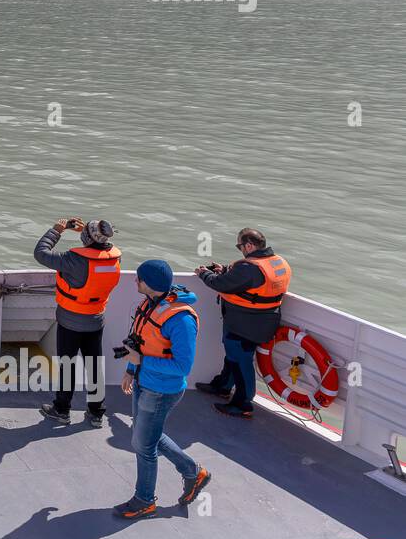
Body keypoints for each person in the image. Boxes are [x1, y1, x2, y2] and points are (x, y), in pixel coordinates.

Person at [113, 260, 212, 519]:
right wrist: (131, 371)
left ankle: (144, 500)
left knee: (143, 446)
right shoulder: (151, 303)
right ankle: (193, 471)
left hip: (162, 390)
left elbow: (182, 366)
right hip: (145, 382)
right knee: (145, 436)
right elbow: (140, 343)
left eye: (139, 279)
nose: (135, 282)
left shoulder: (181, 320)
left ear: (150, 284)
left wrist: (140, 362)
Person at [194, 227, 292, 419]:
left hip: (244, 323)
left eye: (240, 246)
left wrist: (204, 274)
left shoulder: (249, 268)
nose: (240, 249)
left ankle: (243, 403)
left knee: (241, 361)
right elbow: (249, 282)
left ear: (249, 245)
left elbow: (221, 284)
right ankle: (223, 385)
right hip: (262, 320)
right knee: (234, 356)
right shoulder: (278, 262)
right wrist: (225, 270)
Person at [34, 216, 121, 427]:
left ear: (86, 237)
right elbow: (99, 249)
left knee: (67, 366)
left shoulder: (74, 260)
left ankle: (62, 410)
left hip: (70, 321)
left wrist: (58, 230)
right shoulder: (115, 258)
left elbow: (40, 253)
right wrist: (88, 235)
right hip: (96, 320)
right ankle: (96, 412)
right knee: (94, 367)